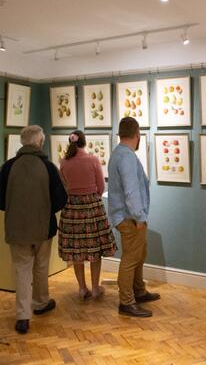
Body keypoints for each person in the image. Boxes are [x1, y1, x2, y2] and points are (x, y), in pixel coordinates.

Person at [0, 125, 67, 334]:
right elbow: (61, 199)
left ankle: (22, 316)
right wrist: (45, 210)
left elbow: (1, 201)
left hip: (17, 229)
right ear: (40, 142)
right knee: (41, 267)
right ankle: (40, 302)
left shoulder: (8, 167)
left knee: (21, 270)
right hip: (43, 228)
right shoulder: (48, 167)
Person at [108, 117, 160, 318]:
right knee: (130, 259)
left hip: (127, 216)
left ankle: (138, 291)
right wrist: (139, 217)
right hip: (130, 218)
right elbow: (131, 191)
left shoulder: (119, 153)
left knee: (139, 254)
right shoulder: (127, 157)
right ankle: (126, 301)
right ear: (137, 134)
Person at [58, 130, 117, 300]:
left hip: (72, 209)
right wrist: (91, 196)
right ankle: (96, 288)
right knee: (94, 250)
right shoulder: (92, 160)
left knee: (77, 250)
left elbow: (64, 187)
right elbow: (101, 187)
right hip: (92, 208)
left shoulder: (64, 162)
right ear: (83, 143)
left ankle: (82, 288)